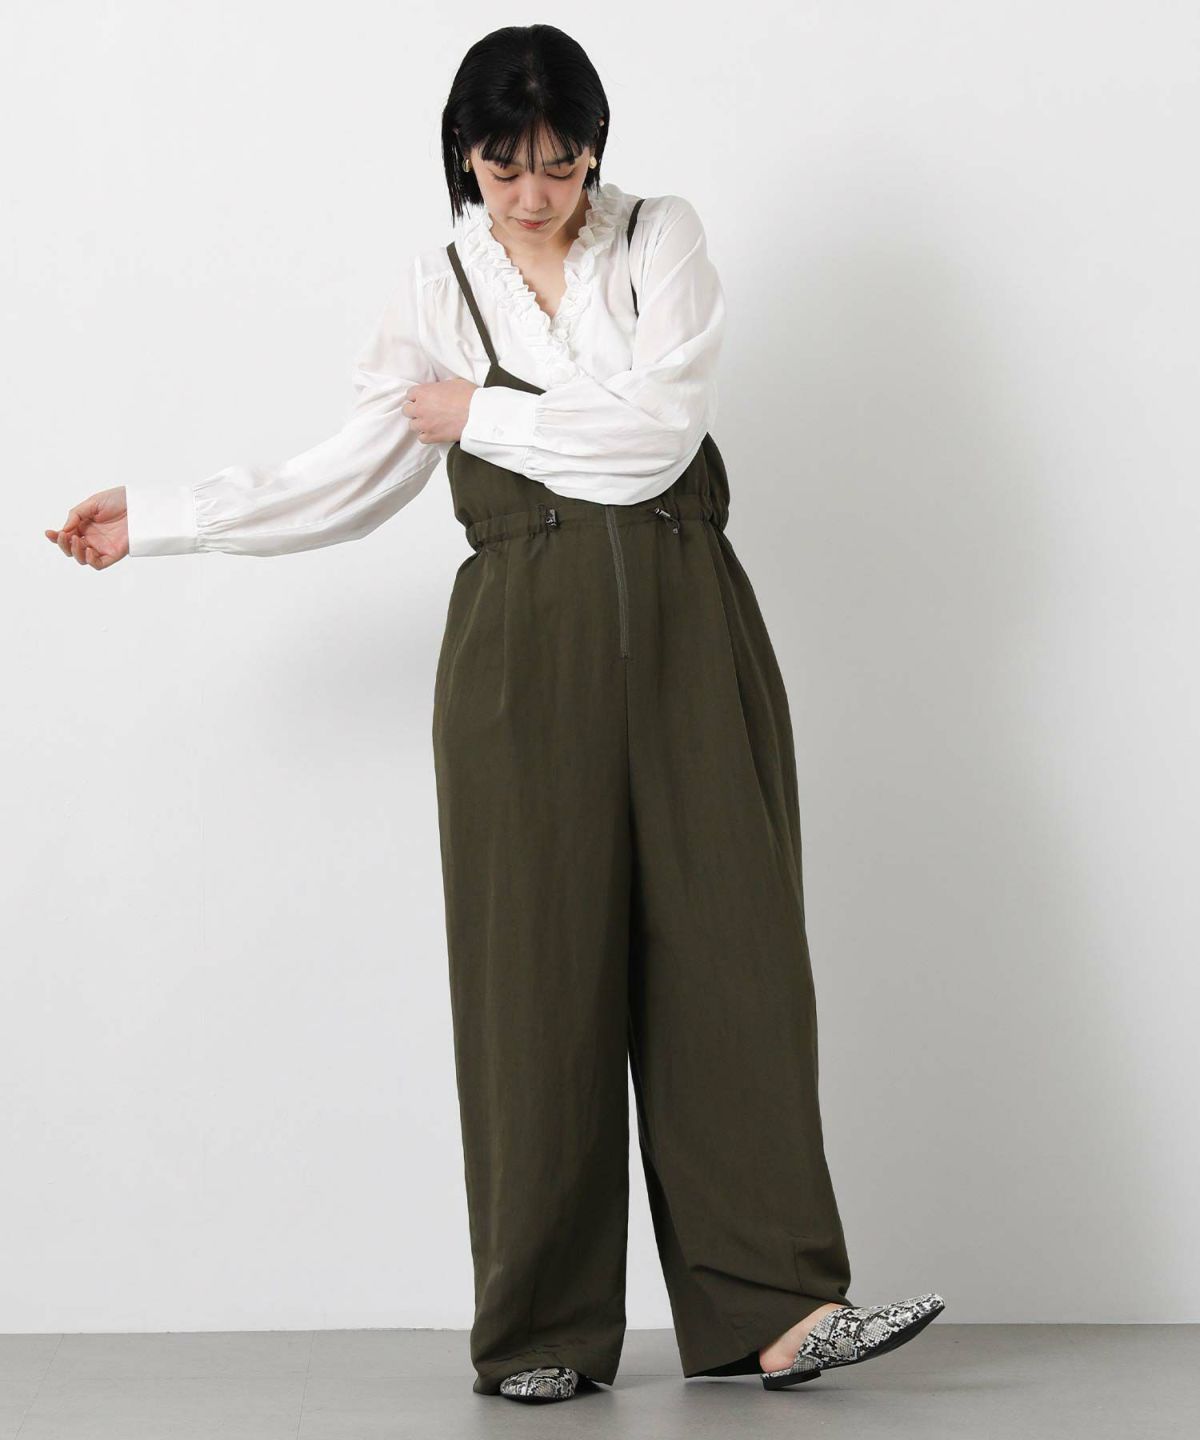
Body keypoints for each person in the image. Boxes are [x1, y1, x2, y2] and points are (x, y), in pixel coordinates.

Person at [45, 23, 945, 1405]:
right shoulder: (437, 283)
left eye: (561, 165)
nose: (535, 195)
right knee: (534, 980)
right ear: (463, 156)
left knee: (738, 957)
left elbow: (659, 438)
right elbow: (356, 473)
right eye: (505, 166)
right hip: (520, 649)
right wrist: (165, 516)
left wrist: (479, 413)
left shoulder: (660, 239)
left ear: (596, 151)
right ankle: (540, 1335)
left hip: (693, 623)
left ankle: (778, 1309)